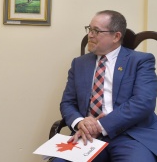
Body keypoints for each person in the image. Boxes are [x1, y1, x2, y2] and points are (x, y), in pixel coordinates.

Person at [56, 10, 157, 161]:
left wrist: (101, 126)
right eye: (89, 29)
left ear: (116, 36)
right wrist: (80, 122)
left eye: (96, 31)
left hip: (131, 135)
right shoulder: (79, 63)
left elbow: (143, 103)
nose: (90, 35)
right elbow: (68, 103)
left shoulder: (140, 61)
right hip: (88, 136)